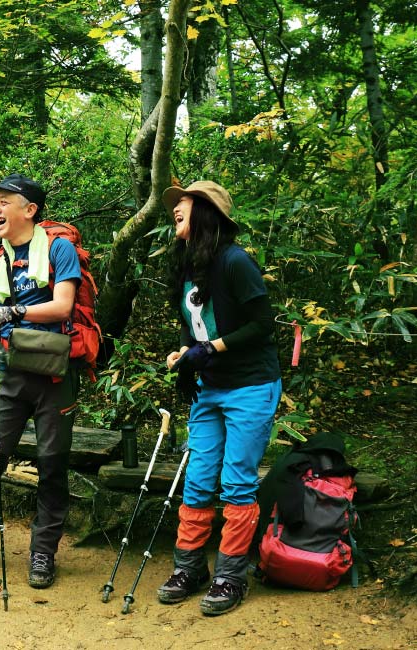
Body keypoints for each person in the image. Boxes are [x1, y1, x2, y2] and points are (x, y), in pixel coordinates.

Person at [0, 174, 80, 589]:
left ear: (30, 209)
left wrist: (13, 312)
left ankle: (43, 552)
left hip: (55, 374)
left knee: (52, 463)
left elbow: (63, 306)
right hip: (9, 372)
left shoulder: (59, 249)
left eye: (5, 201)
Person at [157, 180, 282, 615]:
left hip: (250, 385)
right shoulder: (189, 264)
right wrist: (184, 353)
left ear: (207, 212)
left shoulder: (234, 261)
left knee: (237, 482)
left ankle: (231, 576)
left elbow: (262, 324)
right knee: (198, 478)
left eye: (185, 203)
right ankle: (189, 567)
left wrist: (211, 349)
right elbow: (192, 324)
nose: (176, 209)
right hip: (209, 387)